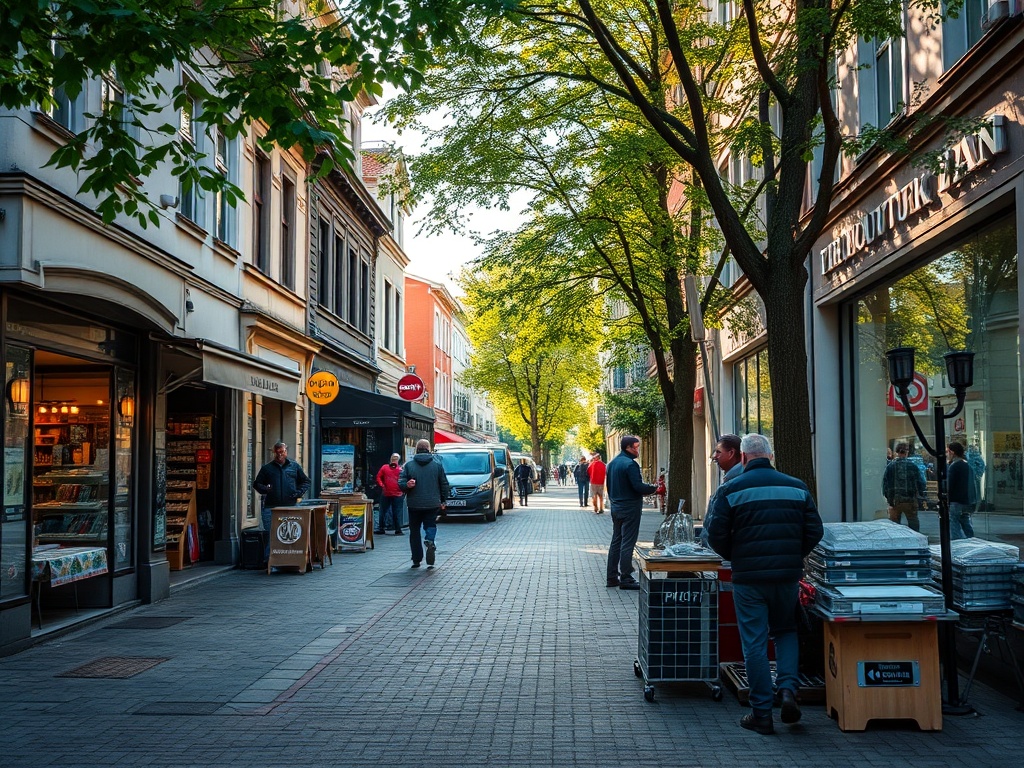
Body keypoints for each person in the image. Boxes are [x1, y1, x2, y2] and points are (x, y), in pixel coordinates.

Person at [706, 433, 823, 735]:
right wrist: (793, 555)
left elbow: (715, 534)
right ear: (770, 456)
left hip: (749, 578)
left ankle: (761, 713)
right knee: (786, 631)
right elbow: (815, 531)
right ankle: (788, 689)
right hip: (787, 577)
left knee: (754, 641)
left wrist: (737, 556)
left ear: (743, 457)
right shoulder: (797, 487)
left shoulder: (731, 489)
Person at [605, 436, 657, 590]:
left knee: (616, 541)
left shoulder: (612, 463)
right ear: (628, 447)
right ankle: (626, 577)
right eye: (636, 447)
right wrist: (654, 488)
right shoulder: (630, 464)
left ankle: (612, 576)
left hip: (616, 507)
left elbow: (610, 486)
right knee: (628, 542)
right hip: (630, 507)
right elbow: (638, 487)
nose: (638, 450)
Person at [253, 442, 311, 561]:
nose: (280, 454)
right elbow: (257, 484)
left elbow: (306, 481)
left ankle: (290, 560)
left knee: (291, 534)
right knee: (272, 534)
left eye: (282, 452)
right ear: (273, 453)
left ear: (286, 452)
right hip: (271, 507)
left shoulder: (294, 466)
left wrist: (298, 492)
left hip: (291, 507)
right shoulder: (267, 468)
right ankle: (269, 561)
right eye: (277, 452)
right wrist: (265, 489)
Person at [398, 439, 449, 569]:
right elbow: (444, 484)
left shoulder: (408, 465)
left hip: (414, 504)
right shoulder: (437, 465)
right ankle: (430, 540)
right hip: (432, 503)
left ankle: (416, 559)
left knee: (414, 531)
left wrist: (406, 485)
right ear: (429, 449)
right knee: (430, 525)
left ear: (416, 449)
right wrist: (444, 500)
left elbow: (401, 483)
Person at [700, 434, 744, 546]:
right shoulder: (732, 479)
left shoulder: (735, 484)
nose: (714, 457)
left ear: (731, 453)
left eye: (718, 452)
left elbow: (719, 525)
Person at [881, 442, 926, 531]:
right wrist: (921, 495)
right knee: (913, 522)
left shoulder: (890, 466)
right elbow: (921, 482)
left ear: (897, 452)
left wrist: (889, 499)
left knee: (895, 526)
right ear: (907, 452)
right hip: (910, 500)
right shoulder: (913, 466)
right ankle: (915, 538)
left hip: (895, 501)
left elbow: (885, 484)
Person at [947, 441, 976, 540]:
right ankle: (971, 541)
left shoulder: (954, 466)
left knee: (954, 523)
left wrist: (947, 500)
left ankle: (957, 543)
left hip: (956, 501)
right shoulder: (967, 465)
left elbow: (950, 485)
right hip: (967, 501)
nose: (947, 454)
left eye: (947, 451)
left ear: (952, 452)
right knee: (966, 522)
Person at [375, 453, 404, 536]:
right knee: (385, 511)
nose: (394, 460)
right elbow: (378, 477)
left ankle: (395, 529)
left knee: (393, 512)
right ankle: (386, 528)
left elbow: (378, 477)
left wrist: (382, 485)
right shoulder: (387, 468)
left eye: (396, 459)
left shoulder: (400, 469)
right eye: (393, 458)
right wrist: (382, 485)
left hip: (395, 493)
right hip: (389, 493)